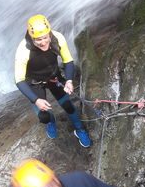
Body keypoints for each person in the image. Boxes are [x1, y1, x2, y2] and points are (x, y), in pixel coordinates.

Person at [14, 14, 92, 148]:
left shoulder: (57, 38)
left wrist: (68, 81)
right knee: (43, 116)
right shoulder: (23, 50)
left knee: (68, 105)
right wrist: (36, 100)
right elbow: (19, 80)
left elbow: (68, 61)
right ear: (32, 37)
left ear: (49, 33)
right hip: (34, 82)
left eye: (45, 37)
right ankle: (51, 121)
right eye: (38, 39)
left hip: (53, 77)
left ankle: (80, 129)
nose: (43, 42)